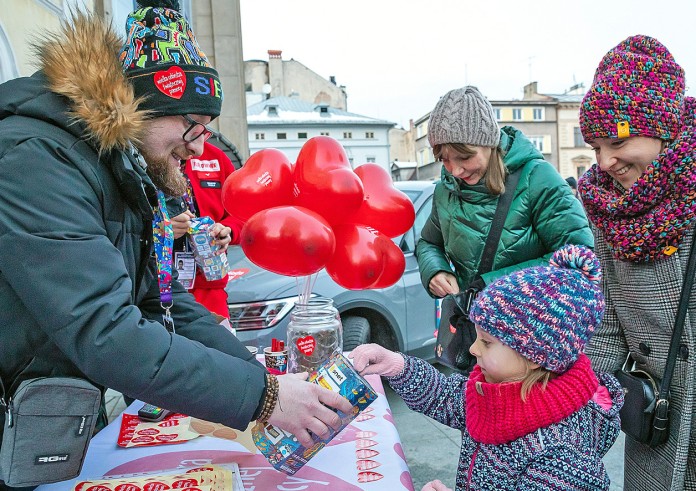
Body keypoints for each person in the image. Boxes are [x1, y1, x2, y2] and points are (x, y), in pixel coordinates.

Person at [0, 3, 352, 489]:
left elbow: (157, 302)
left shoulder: (110, 164)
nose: (199, 147)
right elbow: (107, 331)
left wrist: (247, 370)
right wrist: (264, 396)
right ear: (141, 107)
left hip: (48, 417)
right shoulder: (35, 160)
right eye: (194, 125)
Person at [351, 245, 623, 491]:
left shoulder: (561, 459)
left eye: (487, 342)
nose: (473, 349)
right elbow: (448, 397)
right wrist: (397, 366)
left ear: (534, 356)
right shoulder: (498, 388)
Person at [578, 35, 696, 490]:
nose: (605, 161)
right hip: (657, 424)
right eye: (595, 147)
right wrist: (580, 416)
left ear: (661, 130)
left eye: (615, 142)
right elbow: (608, 321)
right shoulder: (606, 206)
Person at [416, 86, 593, 369]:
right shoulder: (445, 190)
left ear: (489, 142)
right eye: (445, 159)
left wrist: (494, 283)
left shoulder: (537, 178)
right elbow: (428, 243)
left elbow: (579, 257)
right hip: (474, 338)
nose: (455, 170)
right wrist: (435, 270)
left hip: (529, 347)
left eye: (464, 157)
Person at [168, 141, 243, 320]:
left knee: (217, 345)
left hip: (209, 286)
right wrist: (160, 228)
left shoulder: (216, 157)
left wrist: (228, 231)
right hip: (158, 290)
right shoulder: (149, 153)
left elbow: (242, 214)